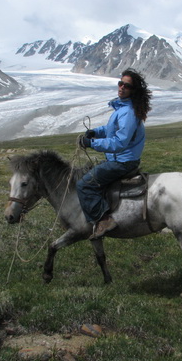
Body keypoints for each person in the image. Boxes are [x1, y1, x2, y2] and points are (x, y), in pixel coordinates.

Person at [76, 68, 152, 240]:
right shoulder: (123, 108)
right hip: (120, 159)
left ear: (133, 91)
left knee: (84, 184)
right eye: (120, 83)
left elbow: (119, 142)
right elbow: (111, 130)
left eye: (127, 86)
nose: (121, 87)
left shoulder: (128, 112)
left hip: (123, 161)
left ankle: (104, 220)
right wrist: (95, 132)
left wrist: (92, 143)